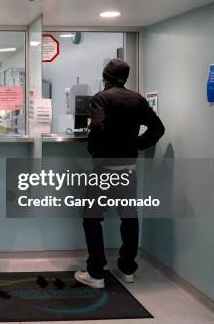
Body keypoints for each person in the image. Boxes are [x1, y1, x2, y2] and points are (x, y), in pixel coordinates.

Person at [74, 59, 165, 289]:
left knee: (92, 219)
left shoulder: (101, 99)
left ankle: (96, 272)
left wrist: (94, 150)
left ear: (105, 77)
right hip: (127, 170)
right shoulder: (137, 99)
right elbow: (158, 128)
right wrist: (136, 144)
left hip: (103, 170)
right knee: (129, 217)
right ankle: (127, 268)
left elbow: (95, 134)